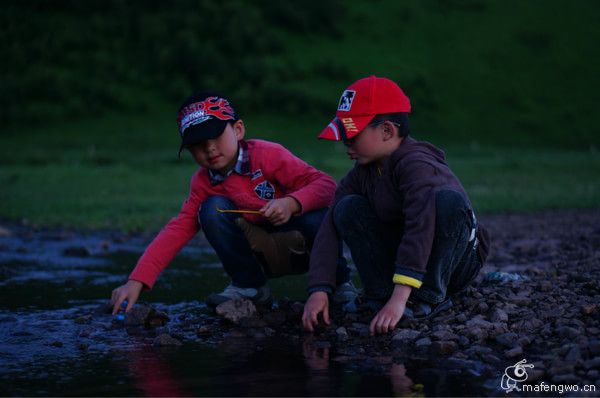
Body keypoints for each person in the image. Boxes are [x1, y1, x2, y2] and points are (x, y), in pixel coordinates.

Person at [110, 92, 357, 314]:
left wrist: (291, 203)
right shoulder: (202, 184)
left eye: (215, 136)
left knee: (320, 215)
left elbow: (326, 186)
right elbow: (176, 231)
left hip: (301, 245)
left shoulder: (269, 154)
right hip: (259, 255)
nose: (209, 148)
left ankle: (337, 282)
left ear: (238, 130)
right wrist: (137, 280)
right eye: (197, 144)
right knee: (210, 210)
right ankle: (250, 288)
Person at [302, 76, 490, 335]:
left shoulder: (417, 164)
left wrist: (400, 299)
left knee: (448, 203)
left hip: (452, 262)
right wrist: (320, 288)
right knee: (346, 207)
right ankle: (379, 294)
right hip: (408, 260)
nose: (345, 143)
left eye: (352, 135)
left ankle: (429, 297)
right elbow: (329, 225)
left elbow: (420, 225)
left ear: (387, 131)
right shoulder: (363, 170)